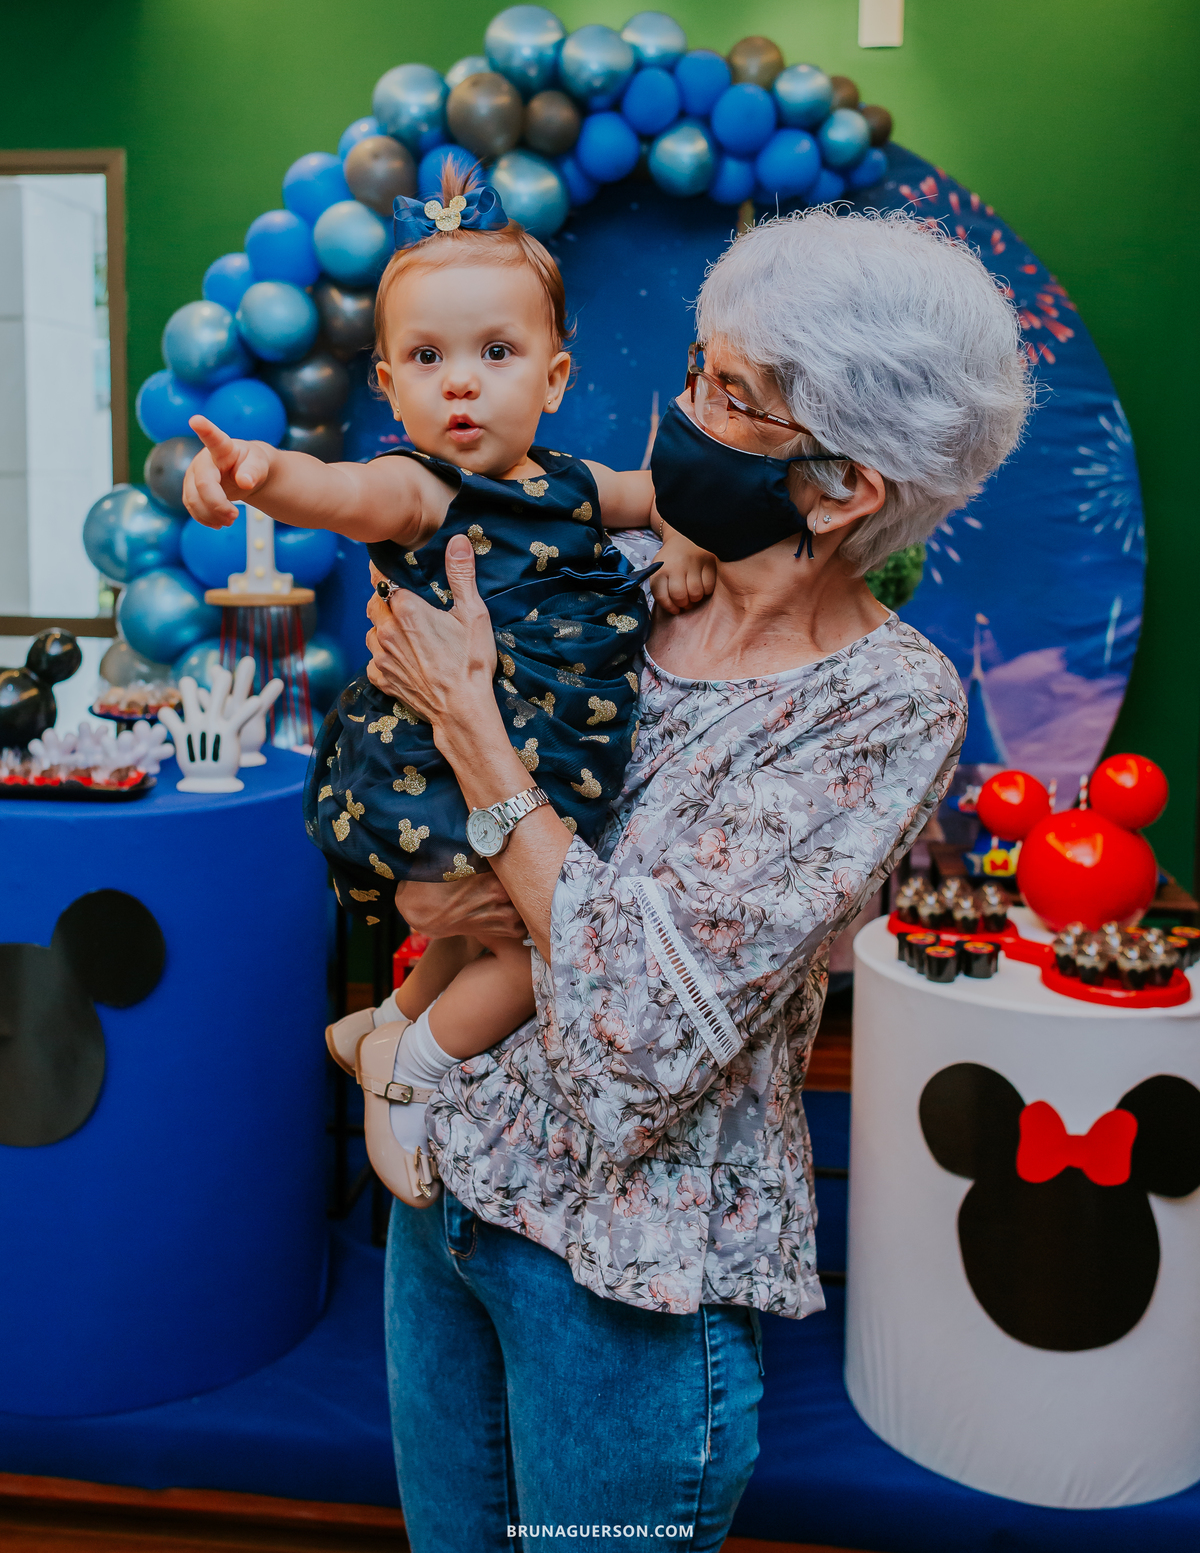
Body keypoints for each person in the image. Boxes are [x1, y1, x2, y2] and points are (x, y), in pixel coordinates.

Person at [357, 206, 1033, 1549]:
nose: (677, 414)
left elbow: (635, 1039)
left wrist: (480, 739)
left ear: (843, 489)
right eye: (696, 368)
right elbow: (419, 830)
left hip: (623, 1287)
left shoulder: (882, 704)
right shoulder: (621, 578)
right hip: (444, 1214)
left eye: (731, 397)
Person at [181, 161, 713, 1204]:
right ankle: (409, 1074)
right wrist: (253, 473)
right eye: (426, 357)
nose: (459, 381)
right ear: (387, 384)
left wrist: (686, 529)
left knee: (487, 927)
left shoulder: (570, 484)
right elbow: (334, 490)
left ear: (553, 380)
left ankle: (384, 1021)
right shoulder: (420, 491)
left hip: (540, 755)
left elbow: (658, 491)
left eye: (494, 353)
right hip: (443, 766)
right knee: (529, 945)